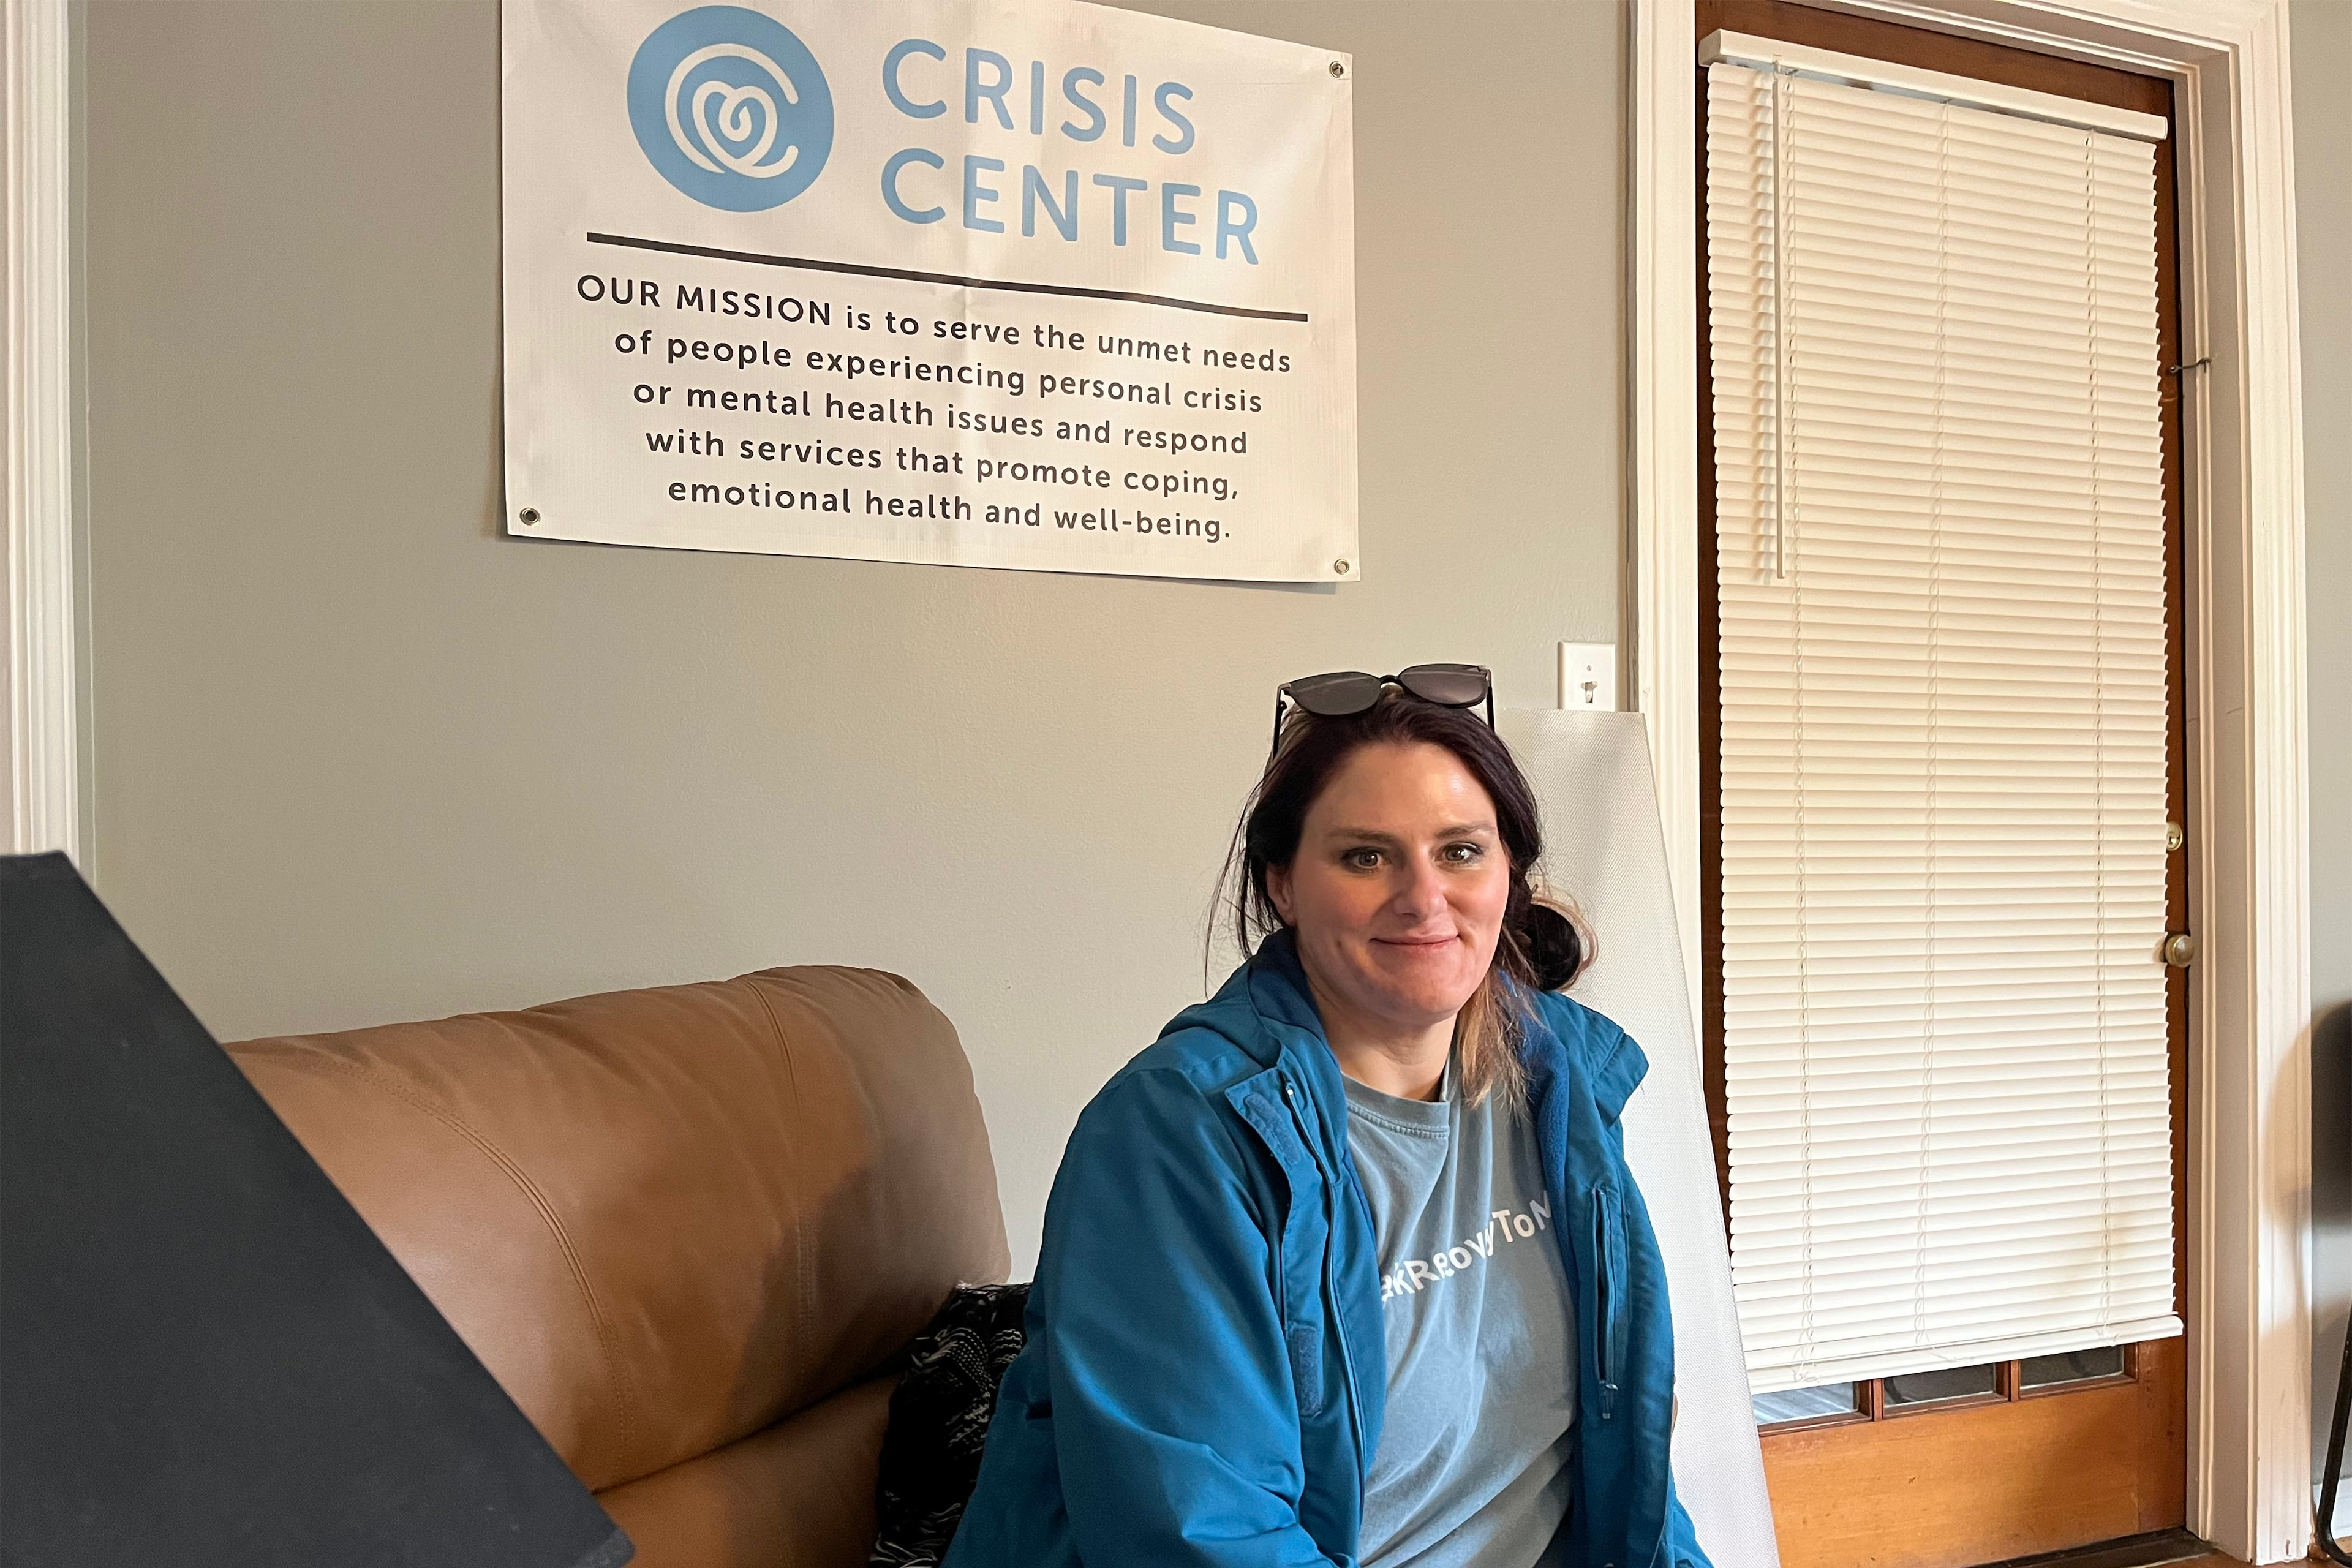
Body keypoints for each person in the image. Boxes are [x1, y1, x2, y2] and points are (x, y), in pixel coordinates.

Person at [946, 665, 1709, 1568]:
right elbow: (1201, 1534)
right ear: (1283, 885)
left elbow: (1625, 1466)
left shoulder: (1559, 1083)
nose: (1423, 898)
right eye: (1365, 857)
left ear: (1510, 872)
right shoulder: (1176, 1134)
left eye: (1461, 851)